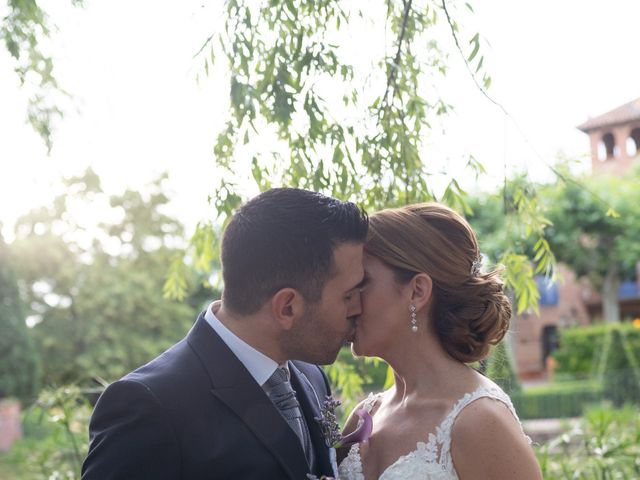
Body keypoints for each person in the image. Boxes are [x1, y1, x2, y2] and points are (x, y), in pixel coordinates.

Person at [81, 188, 369, 480]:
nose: (359, 307)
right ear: (287, 307)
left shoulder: (312, 377)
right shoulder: (148, 406)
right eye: (348, 296)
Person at [338, 203, 542, 480]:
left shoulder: (480, 420)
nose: (347, 298)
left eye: (362, 282)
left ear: (417, 292)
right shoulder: (363, 417)